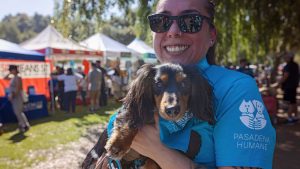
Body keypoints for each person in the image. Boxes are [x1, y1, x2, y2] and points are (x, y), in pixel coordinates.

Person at [129, 0, 276, 169]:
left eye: (191, 21)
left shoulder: (236, 88)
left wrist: (157, 150)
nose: (173, 31)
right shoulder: (144, 83)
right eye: (161, 21)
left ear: (212, 35)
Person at [4, 65, 30, 132]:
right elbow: (5, 78)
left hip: (17, 96)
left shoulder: (18, 77)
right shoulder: (13, 77)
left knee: (18, 111)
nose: (10, 71)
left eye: (11, 70)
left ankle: (24, 125)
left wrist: (13, 95)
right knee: (17, 112)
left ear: (14, 70)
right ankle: (23, 124)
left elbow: (19, 88)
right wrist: (9, 73)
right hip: (14, 96)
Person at [280, 52, 299, 123]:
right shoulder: (296, 65)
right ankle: (296, 116)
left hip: (289, 87)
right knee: (293, 102)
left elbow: (286, 76)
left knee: (290, 102)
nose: (284, 58)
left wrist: (279, 83)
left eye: (285, 57)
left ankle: (290, 118)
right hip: (293, 86)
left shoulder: (288, 66)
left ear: (289, 58)